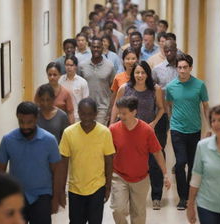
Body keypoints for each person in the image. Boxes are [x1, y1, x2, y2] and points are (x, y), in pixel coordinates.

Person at [0, 102, 61, 224]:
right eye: (21, 122)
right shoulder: (8, 140)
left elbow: (56, 172)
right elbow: (0, 173)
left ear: (36, 119)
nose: (25, 126)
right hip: (16, 196)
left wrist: (55, 199)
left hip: (42, 196)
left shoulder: (49, 140)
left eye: (29, 122)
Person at [110, 96, 170, 224]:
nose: (121, 116)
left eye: (124, 113)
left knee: (138, 215)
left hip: (141, 178)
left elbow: (157, 152)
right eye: (119, 113)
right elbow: (107, 154)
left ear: (134, 112)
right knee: (118, 210)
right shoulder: (113, 129)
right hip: (119, 176)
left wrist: (165, 174)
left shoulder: (146, 130)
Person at [59, 98, 115, 224]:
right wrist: (61, 189)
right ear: (78, 113)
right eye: (83, 114)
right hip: (75, 189)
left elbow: (109, 161)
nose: (86, 118)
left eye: (90, 114)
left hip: (97, 187)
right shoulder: (69, 133)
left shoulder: (104, 132)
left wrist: (108, 186)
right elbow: (63, 163)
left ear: (95, 114)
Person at [166, 53, 209, 210]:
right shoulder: (171, 87)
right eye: (179, 68)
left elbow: (205, 106)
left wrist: (210, 127)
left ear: (190, 68)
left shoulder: (200, 85)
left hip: (195, 129)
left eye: (185, 68)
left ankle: (191, 196)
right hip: (177, 129)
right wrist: (172, 121)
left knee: (192, 165)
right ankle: (182, 197)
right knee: (180, 163)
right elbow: (168, 104)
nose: (182, 71)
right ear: (176, 68)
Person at [187, 104, 220, 224]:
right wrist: (190, 205)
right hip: (207, 205)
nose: (216, 124)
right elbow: (196, 178)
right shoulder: (202, 146)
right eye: (213, 121)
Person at [150, 40, 179, 209]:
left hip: (179, 111)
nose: (169, 53)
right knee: (158, 148)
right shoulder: (157, 70)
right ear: (163, 50)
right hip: (162, 112)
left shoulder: (182, 66)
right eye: (166, 50)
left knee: (171, 145)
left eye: (171, 50)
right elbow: (153, 90)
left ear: (176, 49)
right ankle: (156, 192)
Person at [79, 37, 115, 125]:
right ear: (90, 48)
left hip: (103, 108)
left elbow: (113, 89)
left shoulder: (110, 66)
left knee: (99, 134)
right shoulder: (82, 65)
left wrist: (111, 109)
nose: (96, 49)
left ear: (102, 48)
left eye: (98, 47)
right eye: (94, 47)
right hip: (86, 108)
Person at [59, 55, 89, 122]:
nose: (68, 67)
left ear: (75, 66)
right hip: (62, 116)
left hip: (77, 117)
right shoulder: (60, 80)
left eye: (71, 65)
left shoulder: (82, 82)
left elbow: (85, 102)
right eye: (67, 65)